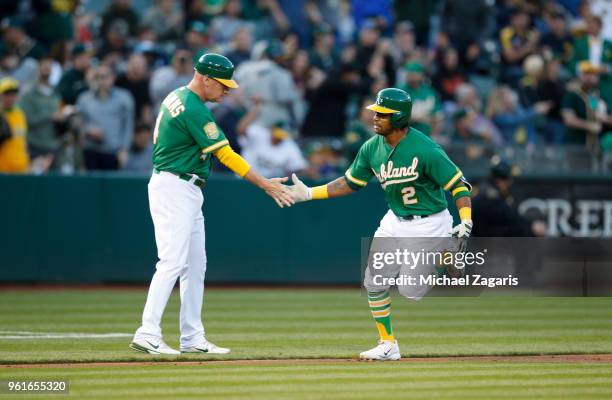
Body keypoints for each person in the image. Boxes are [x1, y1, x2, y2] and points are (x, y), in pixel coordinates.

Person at [287, 88, 473, 361]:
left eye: (382, 114)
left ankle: (447, 252)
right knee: (374, 280)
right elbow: (350, 182)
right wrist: (310, 193)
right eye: (375, 112)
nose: (375, 117)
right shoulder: (371, 147)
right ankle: (388, 344)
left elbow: (459, 186)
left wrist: (466, 221)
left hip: (430, 223)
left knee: (411, 291)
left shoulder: (426, 149)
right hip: (394, 220)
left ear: (398, 117)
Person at [130, 53, 294, 355]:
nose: (227, 91)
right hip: (175, 185)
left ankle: (191, 336)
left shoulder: (178, 96)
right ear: (205, 78)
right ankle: (148, 330)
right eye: (222, 85)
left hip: (185, 186)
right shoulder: (194, 109)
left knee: (196, 265)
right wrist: (265, 183)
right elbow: (226, 154)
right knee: (172, 262)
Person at [76, 65, 135, 170]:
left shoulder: (124, 97)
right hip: (90, 150)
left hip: (113, 152)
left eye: (105, 76)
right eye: (98, 77)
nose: (101, 80)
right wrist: (88, 130)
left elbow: (128, 125)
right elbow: (77, 123)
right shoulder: (84, 98)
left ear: (113, 77)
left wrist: (125, 149)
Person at [472, 157, 546, 237]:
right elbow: (509, 223)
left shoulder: (489, 191)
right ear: (501, 181)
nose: (510, 183)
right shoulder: (489, 198)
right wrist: (530, 228)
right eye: (509, 179)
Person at [18, 56, 63, 171]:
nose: (47, 69)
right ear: (38, 69)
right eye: (44, 66)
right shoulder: (28, 94)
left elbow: (59, 116)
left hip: (53, 145)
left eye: (49, 66)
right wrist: (49, 116)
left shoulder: (55, 94)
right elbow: (25, 120)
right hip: (35, 145)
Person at [0, 77, 28, 172]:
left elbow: (23, 141)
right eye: (7, 94)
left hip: (21, 168)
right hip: (2, 169)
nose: (10, 97)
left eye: (13, 94)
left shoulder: (20, 114)